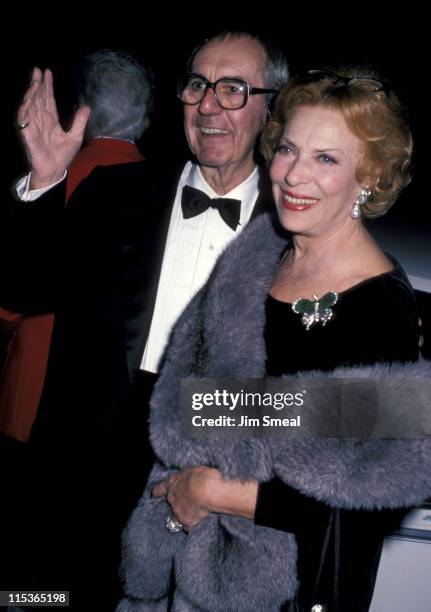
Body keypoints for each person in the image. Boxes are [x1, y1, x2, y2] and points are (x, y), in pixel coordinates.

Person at [118, 67, 431, 612]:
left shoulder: (378, 308)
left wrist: (213, 490)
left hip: (280, 587)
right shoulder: (257, 257)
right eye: (288, 150)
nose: (293, 176)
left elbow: (364, 488)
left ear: (370, 177)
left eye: (326, 159)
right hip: (185, 559)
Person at [0, 32, 288, 609]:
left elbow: (322, 396)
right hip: (84, 466)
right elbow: (24, 289)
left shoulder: (292, 231)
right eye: (197, 86)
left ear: (271, 109)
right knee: (42, 598)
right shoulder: (114, 192)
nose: (208, 104)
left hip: (206, 475)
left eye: (233, 89)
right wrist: (45, 184)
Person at [0, 49, 153, 443]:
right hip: (122, 412)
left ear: (79, 110)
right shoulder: (166, 191)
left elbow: (8, 308)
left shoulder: (48, 184)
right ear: (147, 115)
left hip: (36, 400)